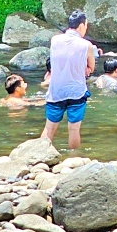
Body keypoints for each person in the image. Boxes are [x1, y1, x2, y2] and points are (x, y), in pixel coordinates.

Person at [40, 10, 94, 149]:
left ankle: (39, 155)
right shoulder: (86, 45)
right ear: (81, 25)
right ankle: (73, 159)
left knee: (49, 127)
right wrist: (85, 69)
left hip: (56, 91)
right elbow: (91, 68)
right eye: (86, 25)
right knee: (74, 129)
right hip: (77, 92)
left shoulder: (55, 40)